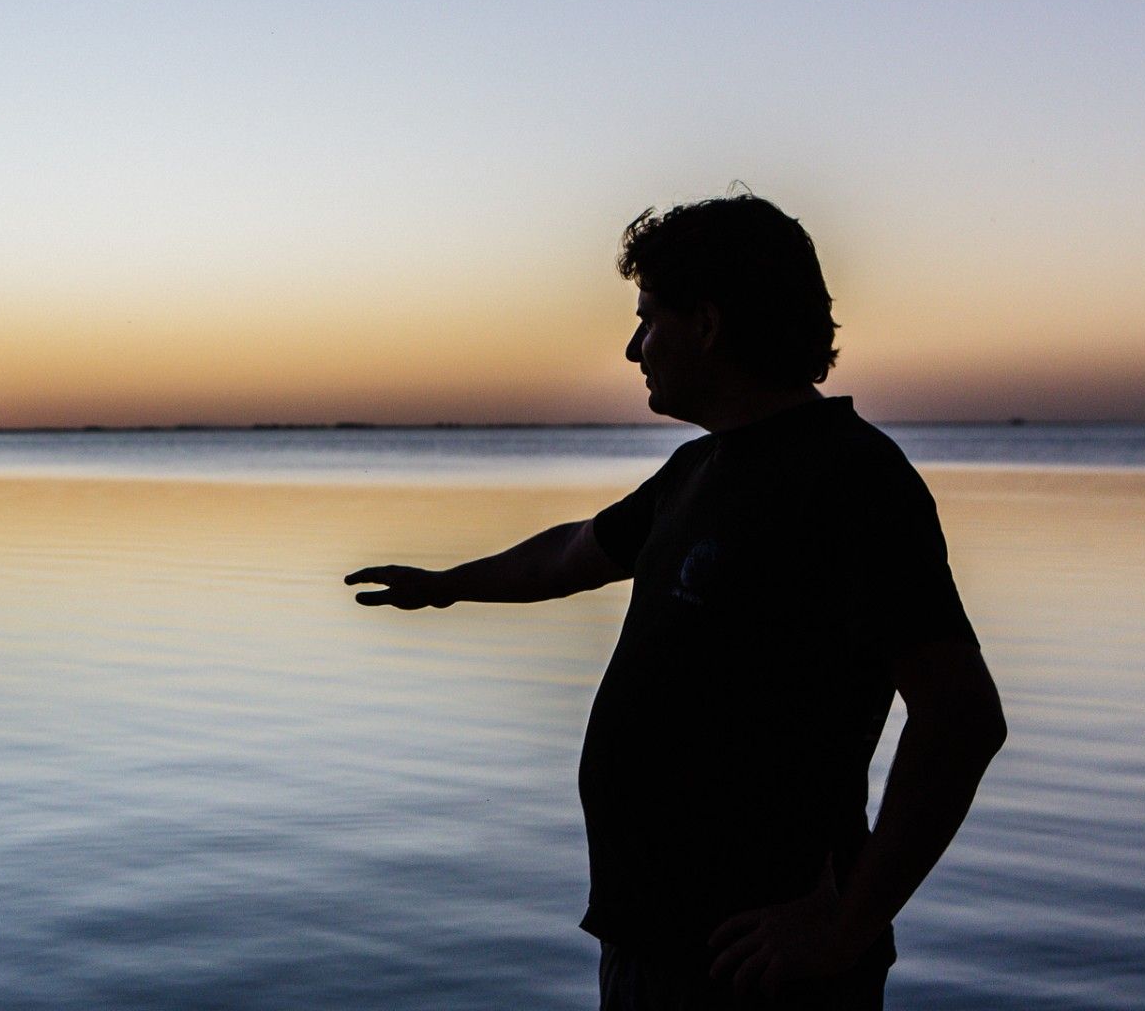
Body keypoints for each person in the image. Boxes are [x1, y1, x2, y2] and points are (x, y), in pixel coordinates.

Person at [347, 194, 1006, 1010]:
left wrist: (845, 927)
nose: (632, 347)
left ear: (707, 323)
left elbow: (961, 718)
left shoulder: (850, 479)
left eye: (647, 318)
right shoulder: (699, 471)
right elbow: (572, 554)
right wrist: (447, 586)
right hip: (651, 943)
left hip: (756, 968)